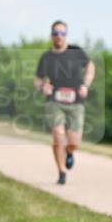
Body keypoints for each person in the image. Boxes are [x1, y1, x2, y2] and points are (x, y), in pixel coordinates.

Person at [34, 20, 95, 185]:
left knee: (74, 142)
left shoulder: (76, 51)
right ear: (51, 35)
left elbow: (90, 66)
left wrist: (86, 85)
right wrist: (42, 87)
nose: (59, 36)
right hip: (55, 101)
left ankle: (69, 152)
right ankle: (61, 172)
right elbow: (38, 79)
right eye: (56, 33)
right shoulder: (46, 57)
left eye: (62, 33)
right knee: (58, 136)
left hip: (76, 102)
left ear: (66, 34)